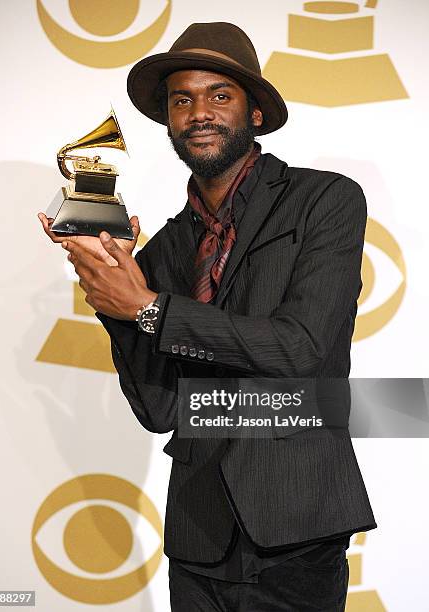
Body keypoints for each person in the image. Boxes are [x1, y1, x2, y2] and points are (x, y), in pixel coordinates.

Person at [39, 22, 377, 612]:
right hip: (197, 534)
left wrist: (146, 305)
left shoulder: (325, 200)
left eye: (220, 95)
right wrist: (112, 291)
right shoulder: (167, 249)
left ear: (257, 115)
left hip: (297, 524)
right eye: (182, 99)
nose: (200, 112)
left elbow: (300, 350)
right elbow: (161, 409)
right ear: (168, 122)